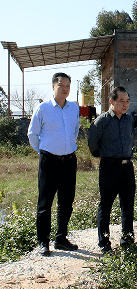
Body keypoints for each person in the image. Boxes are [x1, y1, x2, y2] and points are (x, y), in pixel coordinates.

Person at [28, 72, 79, 256]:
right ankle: (43, 242)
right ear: (53, 86)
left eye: (67, 86)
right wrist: (44, 150)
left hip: (68, 160)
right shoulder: (42, 108)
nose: (64, 89)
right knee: (45, 203)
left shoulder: (74, 108)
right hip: (49, 161)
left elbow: (75, 131)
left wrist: (66, 148)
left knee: (66, 202)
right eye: (61, 86)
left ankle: (61, 239)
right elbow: (32, 134)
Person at [88, 86, 135, 254]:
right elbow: (92, 141)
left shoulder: (129, 119)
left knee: (128, 204)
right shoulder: (102, 121)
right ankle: (104, 242)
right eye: (121, 100)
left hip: (127, 167)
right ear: (112, 101)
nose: (125, 104)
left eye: (127, 101)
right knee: (106, 204)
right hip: (109, 167)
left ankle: (127, 239)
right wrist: (98, 154)